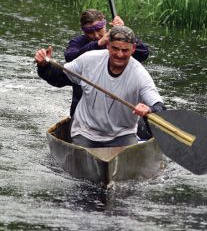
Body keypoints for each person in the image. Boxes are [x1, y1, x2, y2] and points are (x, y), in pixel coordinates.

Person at [35, 26, 165, 148]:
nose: (120, 55)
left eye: (125, 50)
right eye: (115, 48)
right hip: (85, 132)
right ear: (108, 45)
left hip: (122, 135)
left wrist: (149, 109)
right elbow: (59, 78)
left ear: (133, 49)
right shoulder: (89, 60)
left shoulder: (140, 75)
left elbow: (160, 107)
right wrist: (44, 65)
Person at [64, 9, 149, 116]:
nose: (95, 35)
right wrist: (98, 44)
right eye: (90, 32)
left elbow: (143, 53)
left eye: (99, 29)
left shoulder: (117, 41)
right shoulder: (78, 42)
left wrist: (125, 33)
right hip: (83, 107)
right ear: (83, 31)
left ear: (105, 25)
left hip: (115, 105)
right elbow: (69, 57)